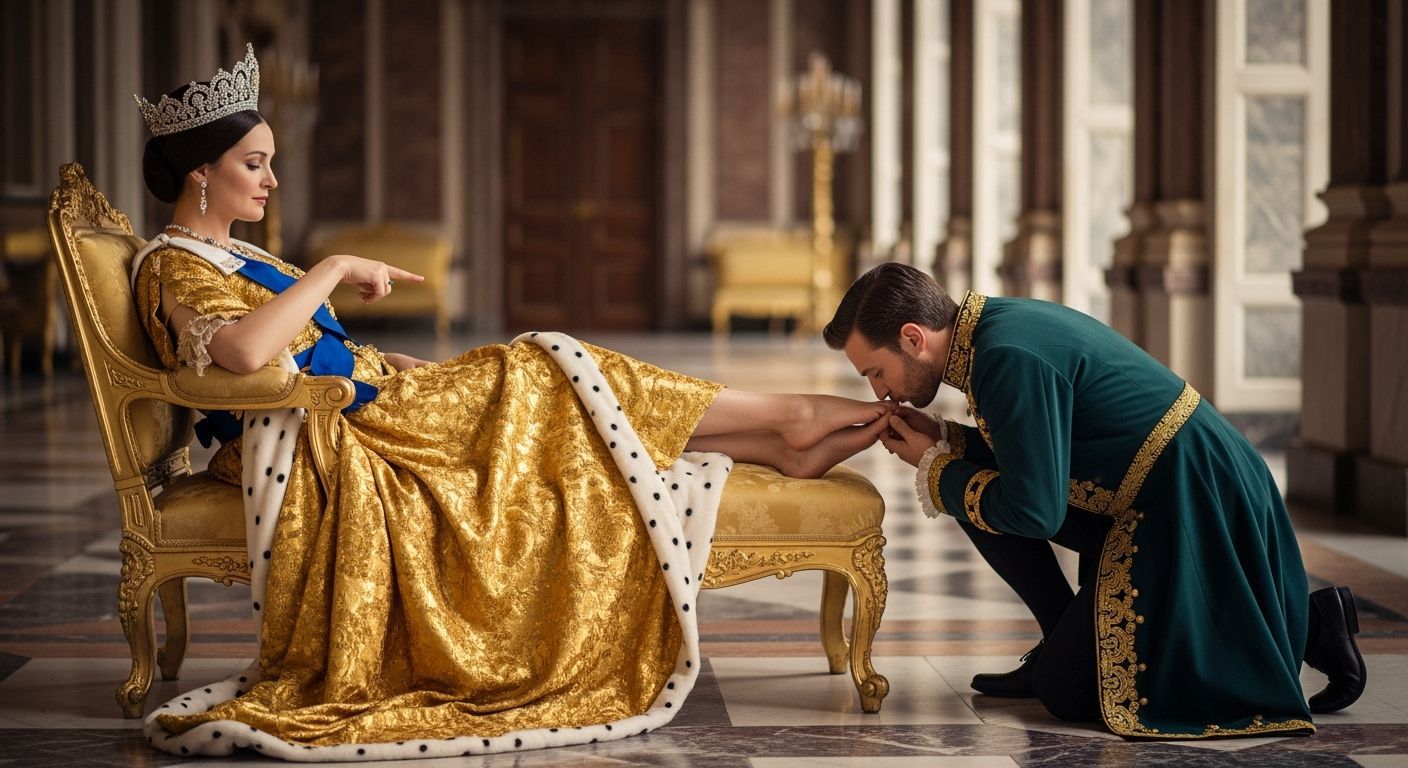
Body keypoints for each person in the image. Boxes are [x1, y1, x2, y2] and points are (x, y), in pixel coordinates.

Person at [130, 45, 891, 760]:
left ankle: (776, 436)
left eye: (270, 164)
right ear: (202, 173)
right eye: (254, 164)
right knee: (553, 364)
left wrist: (397, 363)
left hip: (377, 403)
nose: (269, 180)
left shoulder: (238, 254)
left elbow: (294, 348)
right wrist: (331, 268)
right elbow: (241, 354)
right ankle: (783, 424)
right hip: (335, 439)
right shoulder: (171, 267)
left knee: (558, 377)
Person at [823, 262, 1368, 739]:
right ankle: (1061, 636)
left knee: (1067, 690)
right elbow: (1036, 448)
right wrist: (947, 440)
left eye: (876, 371)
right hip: (1155, 493)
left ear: (914, 338)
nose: (880, 392)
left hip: (1193, 504)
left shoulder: (1005, 355)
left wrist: (937, 466)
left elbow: (1036, 511)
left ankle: (1312, 624)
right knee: (958, 480)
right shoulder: (990, 332)